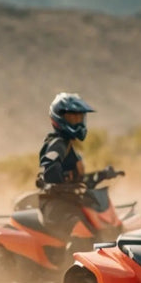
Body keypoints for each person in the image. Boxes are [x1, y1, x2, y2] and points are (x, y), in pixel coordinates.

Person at [35, 92, 94, 240]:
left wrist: (103, 174)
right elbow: (50, 166)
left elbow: (75, 178)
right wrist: (56, 182)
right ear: (59, 118)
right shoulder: (58, 143)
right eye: (72, 118)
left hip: (69, 204)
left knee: (97, 226)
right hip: (56, 207)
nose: (77, 122)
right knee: (83, 234)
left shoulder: (68, 145)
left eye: (79, 117)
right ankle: (72, 256)